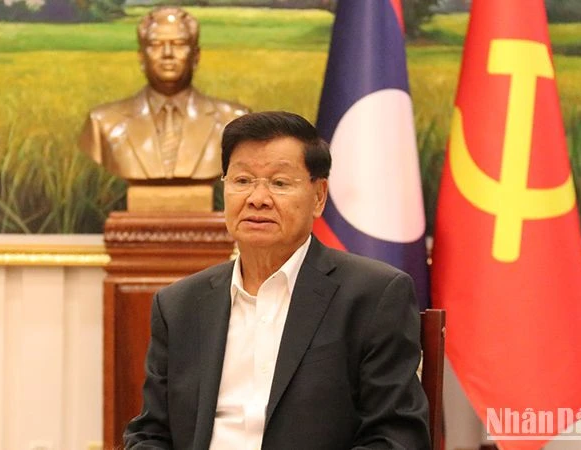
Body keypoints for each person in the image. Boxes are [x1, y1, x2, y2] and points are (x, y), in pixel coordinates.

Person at [124, 111, 430, 449]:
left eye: (279, 183)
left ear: (319, 197)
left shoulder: (373, 296)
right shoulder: (179, 305)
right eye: (242, 181)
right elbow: (150, 433)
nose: (257, 198)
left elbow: (397, 437)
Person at [79, 6, 249, 182]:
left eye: (179, 44)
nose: (167, 53)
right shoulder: (103, 123)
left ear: (196, 55)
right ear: (141, 56)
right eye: (156, 45)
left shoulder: (234, 121)